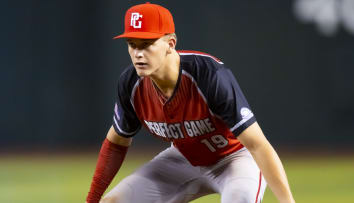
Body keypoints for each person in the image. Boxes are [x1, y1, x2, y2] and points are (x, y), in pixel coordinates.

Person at [86, 2, 295, 203]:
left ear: (170, 44)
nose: (138, 53)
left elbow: (257, 145)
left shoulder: (209, 75)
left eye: (147, 44)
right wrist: (91, 200)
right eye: (132, 44)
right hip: (183, 159)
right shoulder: (131, 84)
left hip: (234, 159)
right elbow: (115, 143)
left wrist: (288, 201)